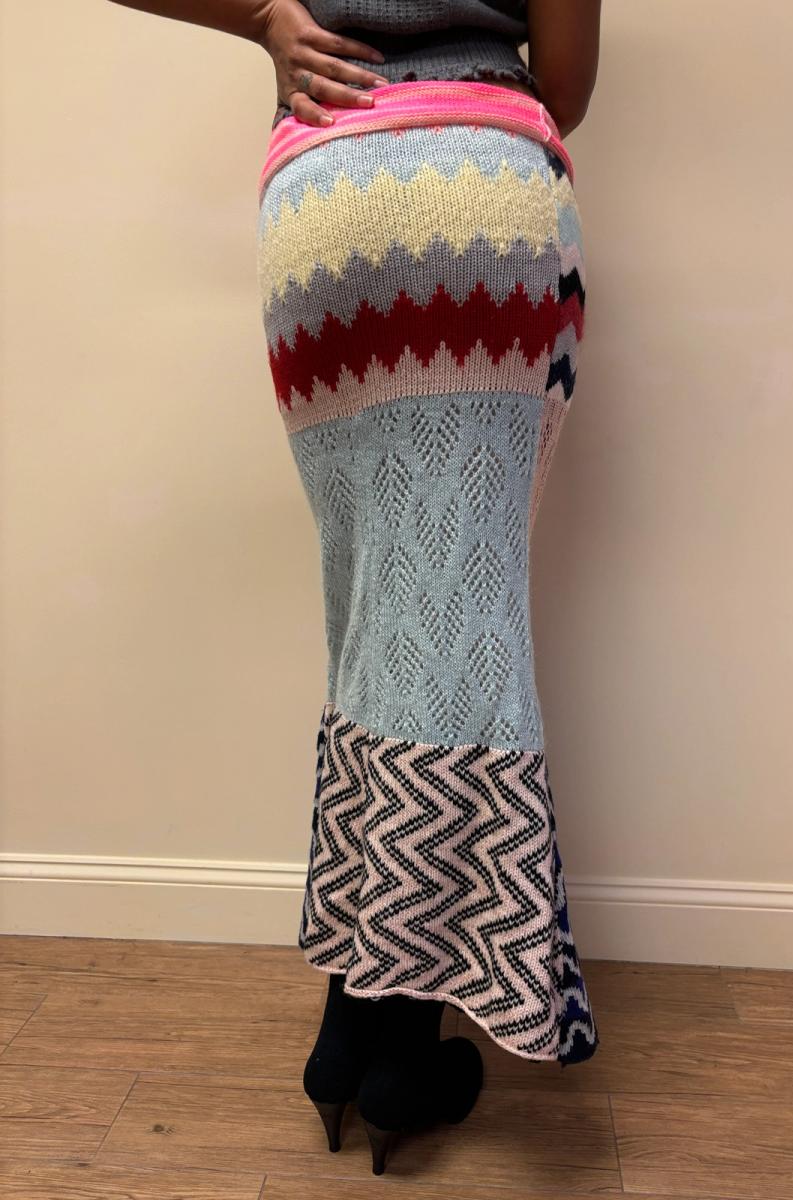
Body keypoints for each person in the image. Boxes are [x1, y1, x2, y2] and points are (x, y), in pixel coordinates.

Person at [110, 0, 603, 1176]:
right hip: (477, 192)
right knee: (458, 622)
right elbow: (567, 79)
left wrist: (265, 17)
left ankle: (353, 1018)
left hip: (324, 207)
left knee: (373, 612)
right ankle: (402, 1049)